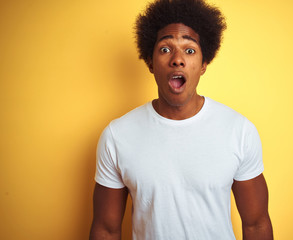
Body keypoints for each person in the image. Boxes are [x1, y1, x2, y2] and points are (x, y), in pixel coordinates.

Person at [89, 0, 273, 239]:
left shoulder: (238, 130)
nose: (177, 59)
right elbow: (106, 229)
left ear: (204, 64)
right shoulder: (117, 135)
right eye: (165, 49)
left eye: (189, 50)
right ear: (151, 63)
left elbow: (256, 224)